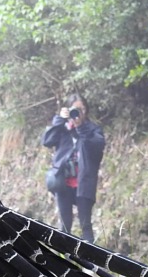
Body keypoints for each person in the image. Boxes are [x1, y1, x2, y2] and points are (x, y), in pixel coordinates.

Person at [41, 93, 105, 242]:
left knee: (86, 226)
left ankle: (91, 262)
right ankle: (64, 261)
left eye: (82, 109)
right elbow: (47, 141)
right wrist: (59, 120)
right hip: (63, 182)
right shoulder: (63, 128)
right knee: (64, 227)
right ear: (68, 110)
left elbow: (96, 147)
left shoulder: (93, 129)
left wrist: (81, 127)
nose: (79, 113)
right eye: (75, 109)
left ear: (86, 110)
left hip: (85, 182)